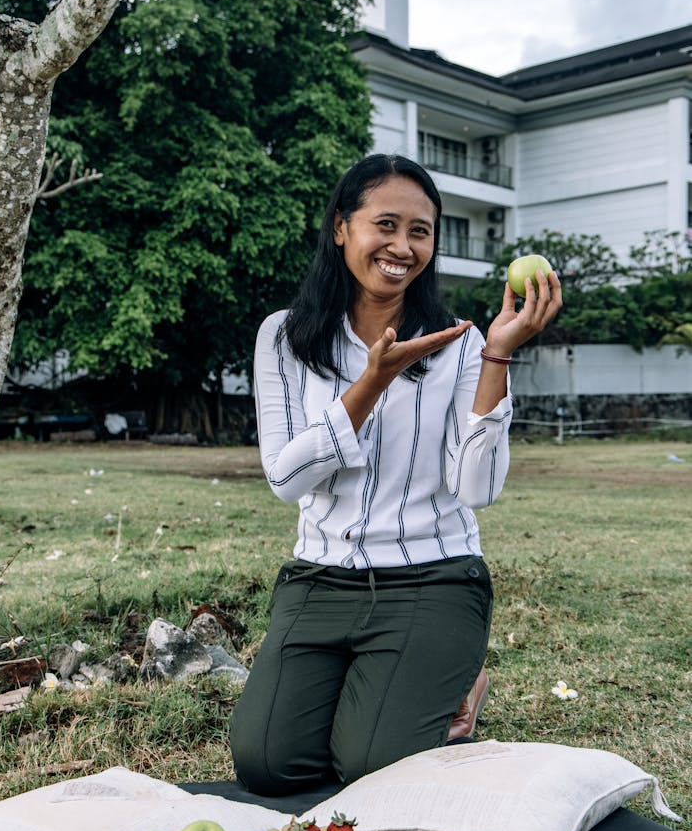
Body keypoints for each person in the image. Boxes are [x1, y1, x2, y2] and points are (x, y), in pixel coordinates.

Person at [229, 154, 562, 796]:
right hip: (319, 580)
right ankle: (406, 691)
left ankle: (451, 678)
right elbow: (285, 479)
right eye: (385, 224)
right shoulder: (284, 338)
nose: (402, 247)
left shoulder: (460, 341)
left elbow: (476, 490)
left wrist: (498, 354)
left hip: (433, 579)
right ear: (340, 229)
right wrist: (372, 381)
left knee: (370, 769)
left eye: (421, 231)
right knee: (267, 764)